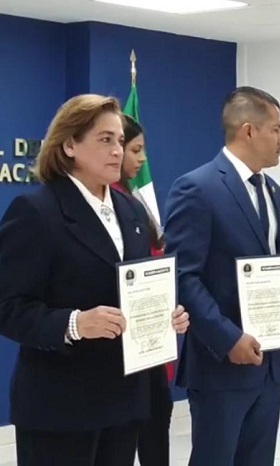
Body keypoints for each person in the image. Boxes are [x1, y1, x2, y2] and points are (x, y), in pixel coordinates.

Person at [0, 94, 189, 466]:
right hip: (59, 407)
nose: (117, 150)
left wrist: (164, 316)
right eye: (105, 140)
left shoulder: (132, 210)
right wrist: (74, 323)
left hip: (124, 402)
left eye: (119, 140)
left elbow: (132, 289)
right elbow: (7, 307)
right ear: (69, 145)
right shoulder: (36, 211)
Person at [163, 86, 280, 466]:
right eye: (276, 129)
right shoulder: (197, 188)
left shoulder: (273, 191)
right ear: (248, 131)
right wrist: (228, 339)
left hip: (269, 360)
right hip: (221, 364)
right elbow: (183, 277)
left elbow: (260, 254)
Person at [112, 115, 175, 466]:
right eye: (135, 150)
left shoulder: (134, 205)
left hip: (150, 342)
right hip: (119, 347)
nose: (142, 159)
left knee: (156, 427)